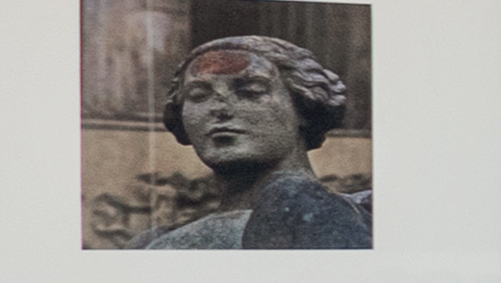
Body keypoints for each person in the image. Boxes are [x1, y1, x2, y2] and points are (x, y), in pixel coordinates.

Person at [147, 32, 372, 249]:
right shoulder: (153, 243)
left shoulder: (362, 213)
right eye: (198, 95)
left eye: (251, 91)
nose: (219, 109)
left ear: (304, 106)